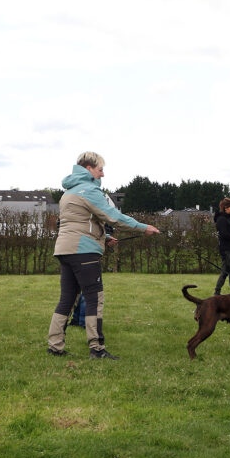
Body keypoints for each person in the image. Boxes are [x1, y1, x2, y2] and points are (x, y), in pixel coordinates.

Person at [47, 151, 160, 359]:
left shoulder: (68, 193)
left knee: (66, 299)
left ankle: (55, 345)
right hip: (84, 252)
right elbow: (113, 216)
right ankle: (97, 348)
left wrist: (105, 237)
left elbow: (77, 223)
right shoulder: (89, 190)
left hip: (65, 250)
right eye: (100, 169)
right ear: (89, 168)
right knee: (94, 298)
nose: (103, 174)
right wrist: (143, 227)